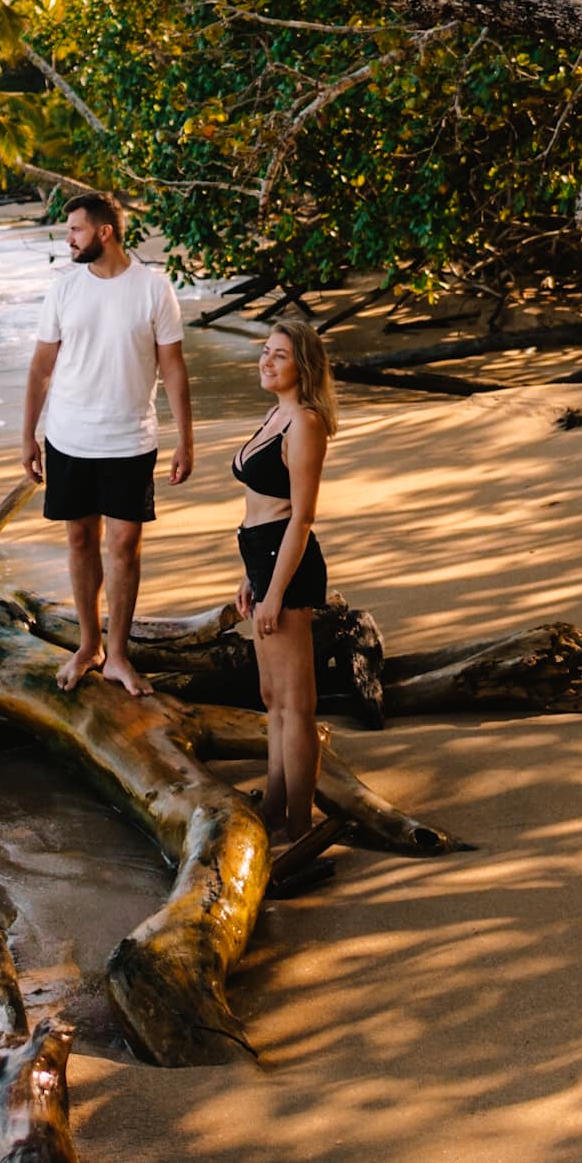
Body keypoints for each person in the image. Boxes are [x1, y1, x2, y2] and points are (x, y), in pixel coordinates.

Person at [22, 191, 193, 697]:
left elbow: (174, 368)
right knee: (79, 539)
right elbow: (41, 366)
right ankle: (89, 644)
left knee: (123, 545)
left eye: (75, 229)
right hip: (69, 436)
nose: (68, 239)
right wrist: (27, 435)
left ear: (104, 232)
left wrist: (187, 438)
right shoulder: (64, 289)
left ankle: (117, 654)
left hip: (129, 438)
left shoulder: (153, 288)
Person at [233, 318, 337, 842]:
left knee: (296, 706)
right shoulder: (276, 415)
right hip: (261, 558)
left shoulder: (306, 424)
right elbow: (257, 508)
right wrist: (251, 578)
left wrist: (274, 589)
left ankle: (300, 825)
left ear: (303, 366)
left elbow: (301, 516)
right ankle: (275, 805)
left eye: (279, 355)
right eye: (265, 352)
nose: (266, 361)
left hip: (286, 564)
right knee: (272, 698)